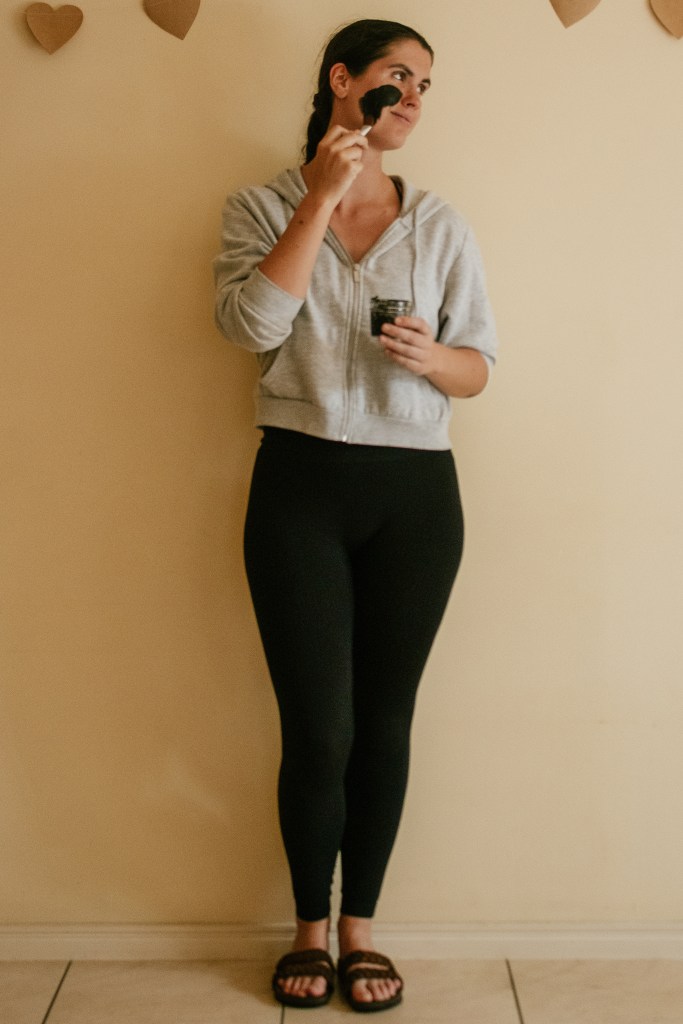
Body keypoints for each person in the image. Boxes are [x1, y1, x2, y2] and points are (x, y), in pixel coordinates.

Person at [213, 18, 497, 1013]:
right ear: (343, 81)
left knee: (383, 720)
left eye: (425, 84)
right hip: (298, 485)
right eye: (395, 78)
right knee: (317, 727)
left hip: (414, 493)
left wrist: (432, 358)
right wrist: (318, 200)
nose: (412, 98)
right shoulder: (258, 206)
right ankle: (305, 925)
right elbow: (248, 325)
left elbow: (478, 366)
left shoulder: (440, 225)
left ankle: (360, 929)